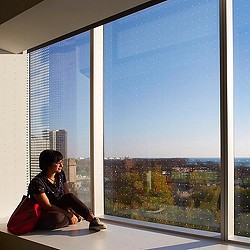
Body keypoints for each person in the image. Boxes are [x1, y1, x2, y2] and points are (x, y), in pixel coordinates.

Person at [29, 149, 107, 231]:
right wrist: (68, 214)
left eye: (61, 162)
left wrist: (73, 211)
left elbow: (66, 195)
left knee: (70, 197)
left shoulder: (60, 175)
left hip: (59, 208)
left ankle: (92, 220)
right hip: (44, 212)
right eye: (58, 163)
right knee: (56, 218)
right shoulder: (37, 182)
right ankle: (70, 219)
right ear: (48, 164)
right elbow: (47, 206)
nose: (61, 165)